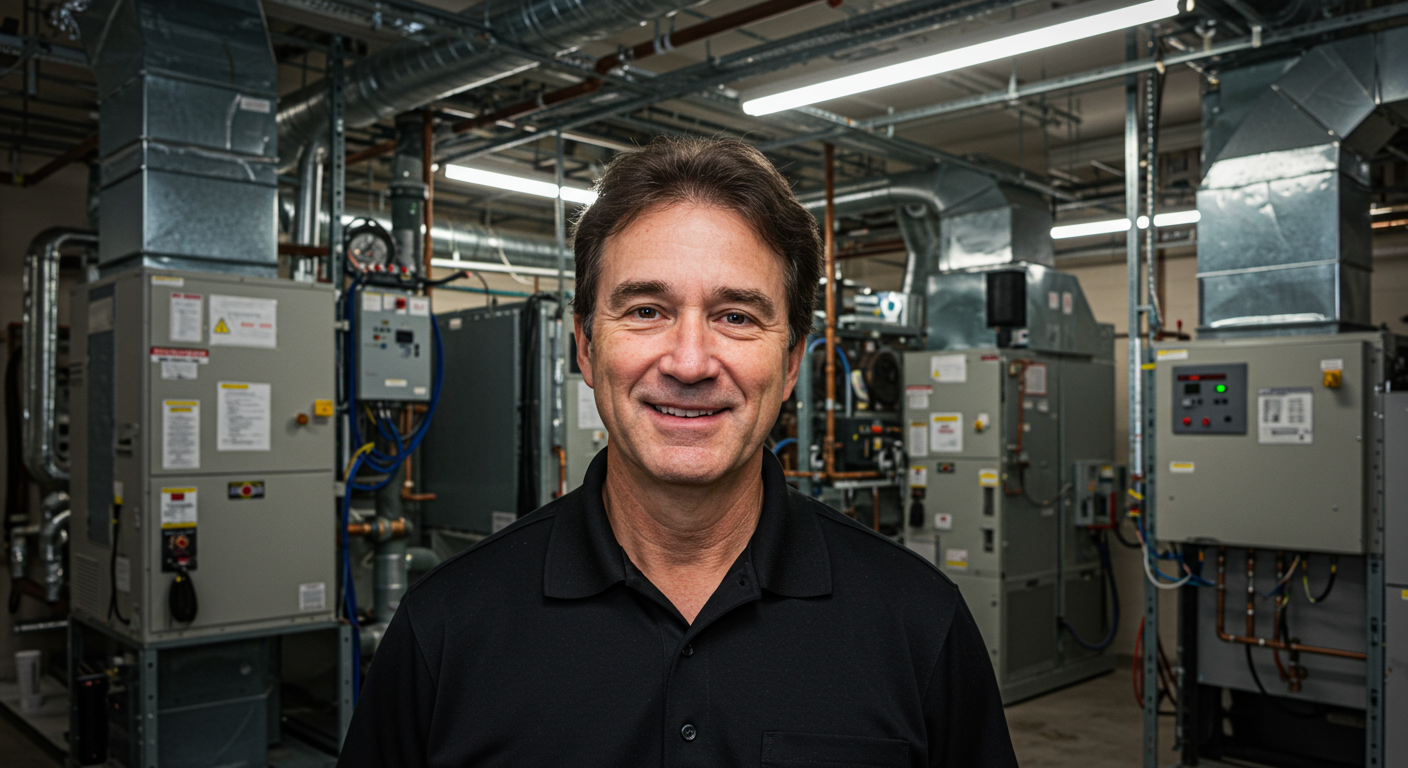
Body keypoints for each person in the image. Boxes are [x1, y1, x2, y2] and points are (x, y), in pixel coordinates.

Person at [336, 137, 1018, 767]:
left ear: (789, 364)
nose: (690, 362)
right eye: (645, 310)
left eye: (736, 316)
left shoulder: (919, 626)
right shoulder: (448, 629)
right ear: (584, 345)